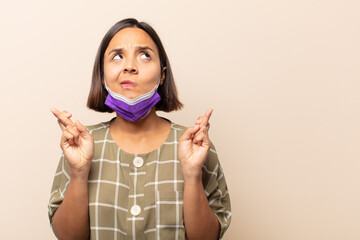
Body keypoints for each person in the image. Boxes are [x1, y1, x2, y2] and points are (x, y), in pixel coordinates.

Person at [48, 18, 231, 240]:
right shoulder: (80, 145)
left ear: (162, 75)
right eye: (117, 56)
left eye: (145, 55)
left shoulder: (196, 146)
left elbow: (207, 237)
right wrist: (78, 172)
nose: (129, 66)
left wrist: (192, 174)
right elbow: (68, 237)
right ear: (103, 77)